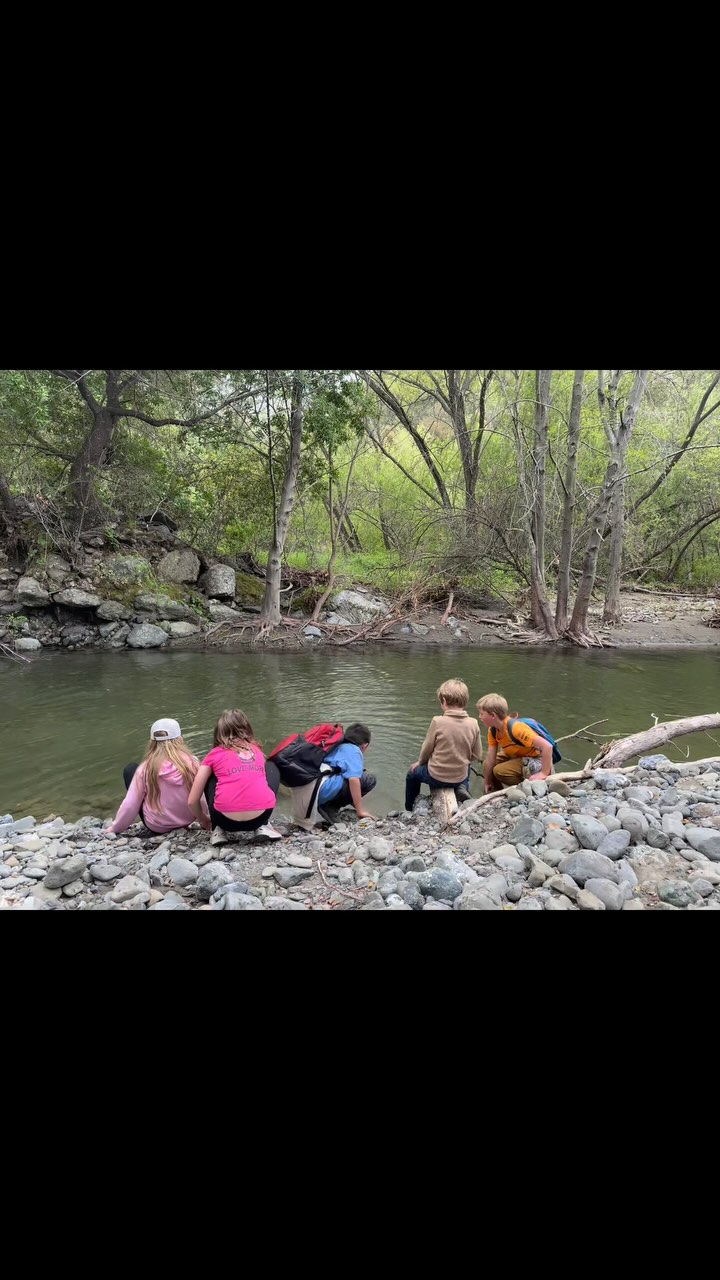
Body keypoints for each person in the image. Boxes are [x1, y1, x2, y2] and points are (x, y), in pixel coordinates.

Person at [188, 709, 282, 845]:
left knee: (211, 774)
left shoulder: (213, 754)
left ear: (218, 733)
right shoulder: (256, 750)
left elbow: (192, 801)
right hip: (260, 818)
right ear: (247, 730)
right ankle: (264, 826)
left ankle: (218, 830)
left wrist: (204, 820)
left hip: (224, 821)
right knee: (271, 768)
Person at [107, 717, 210, 835]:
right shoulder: (192, 762)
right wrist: (204, 818)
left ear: (152, 743)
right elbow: (200, 795)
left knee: (131, 770)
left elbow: (130, 804)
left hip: (157, 826)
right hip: (188, 819)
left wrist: (115, 829)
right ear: (180, 739)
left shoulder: (145, 768)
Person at [405, 678, 482, 812]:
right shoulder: (473, 723)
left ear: (444, 701)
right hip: (459, 776)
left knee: (412, 774)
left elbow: (427, 749)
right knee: (467, 764)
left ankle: (409, 807)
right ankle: (462, 787)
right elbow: (476, 755)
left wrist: (420, 762)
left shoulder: (438, 721)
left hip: (436, 776)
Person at [476, 693, 553, 791]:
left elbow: (547, 746)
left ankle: (526, 788)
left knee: (499, 771)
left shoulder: (516, 728)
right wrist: (487, 782)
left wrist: (544, 773)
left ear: (493, 716)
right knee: (488, 764)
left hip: (535, 759)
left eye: (482, 714)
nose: (479, 717)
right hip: (519, 755)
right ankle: (495, 791)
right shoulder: (493, 730)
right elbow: (490, 759)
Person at [316, 723, 376, 823]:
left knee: (347, 777)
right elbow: (353, 779)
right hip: (324, 791)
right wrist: (360, 811)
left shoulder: (335, 746)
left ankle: (328, 804)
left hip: (314, 791)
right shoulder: (355, 750)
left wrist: (356, 805)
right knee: (369, 780)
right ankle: (330, 807)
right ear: (365, 745)